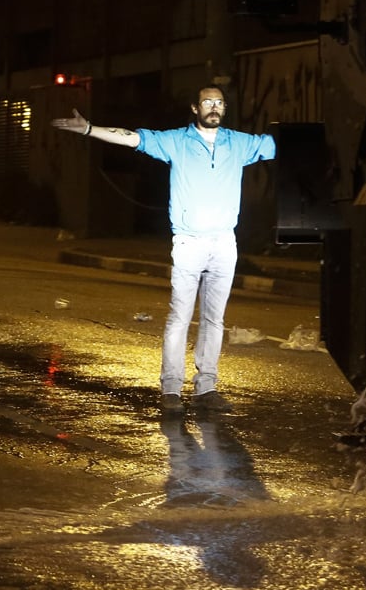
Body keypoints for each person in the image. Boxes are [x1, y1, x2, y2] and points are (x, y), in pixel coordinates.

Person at [51, 84, 276, 414]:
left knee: (215, 320)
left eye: (219, 103)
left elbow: (282, 144)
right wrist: (88, 129)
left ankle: (206, 388)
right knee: (180, 318)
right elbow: (131, 138)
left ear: (224, 109)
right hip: (188, 242)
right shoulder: (176, 141)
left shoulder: (239, 143)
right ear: (195, 108)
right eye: (207, 103)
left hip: (225, 242)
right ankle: (171, 390)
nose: (214, 107)